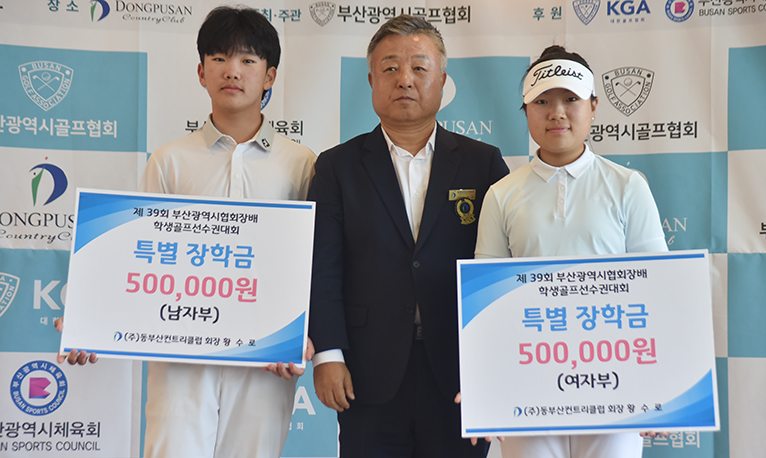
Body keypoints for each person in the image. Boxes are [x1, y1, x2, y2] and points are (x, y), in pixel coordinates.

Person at [57, 6, 316, 458]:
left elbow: (312, 261)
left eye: (248, 60)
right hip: (179, 353)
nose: (232, 71)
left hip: (265, 357)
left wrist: (301, 334)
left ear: (270, 76)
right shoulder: (169, 160)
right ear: (200, 72)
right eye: (219, 58)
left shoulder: (302, 163)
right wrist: (89, 321)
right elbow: (138, 254)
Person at [307, 14, 509, 458]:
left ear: (443, 82)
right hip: (367, 371)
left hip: (459, 373)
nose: (404, 79)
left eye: (419, 67)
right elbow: (322, 267)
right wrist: (328, 356)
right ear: (371, 80)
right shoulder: (337, 167)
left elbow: (502, 272)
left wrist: (495, 367)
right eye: (390, 68)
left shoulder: (483, 163)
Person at [473, 45, 668, 458]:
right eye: (542, 101)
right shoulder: (501, 195)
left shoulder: (628, 186)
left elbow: (658, 288)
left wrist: (658, 387)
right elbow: (487, 301)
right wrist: (485, 385)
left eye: (570, 99)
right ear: (525, 111)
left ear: (593, 107)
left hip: (616, 384)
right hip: (529, 385)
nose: (556, 113)